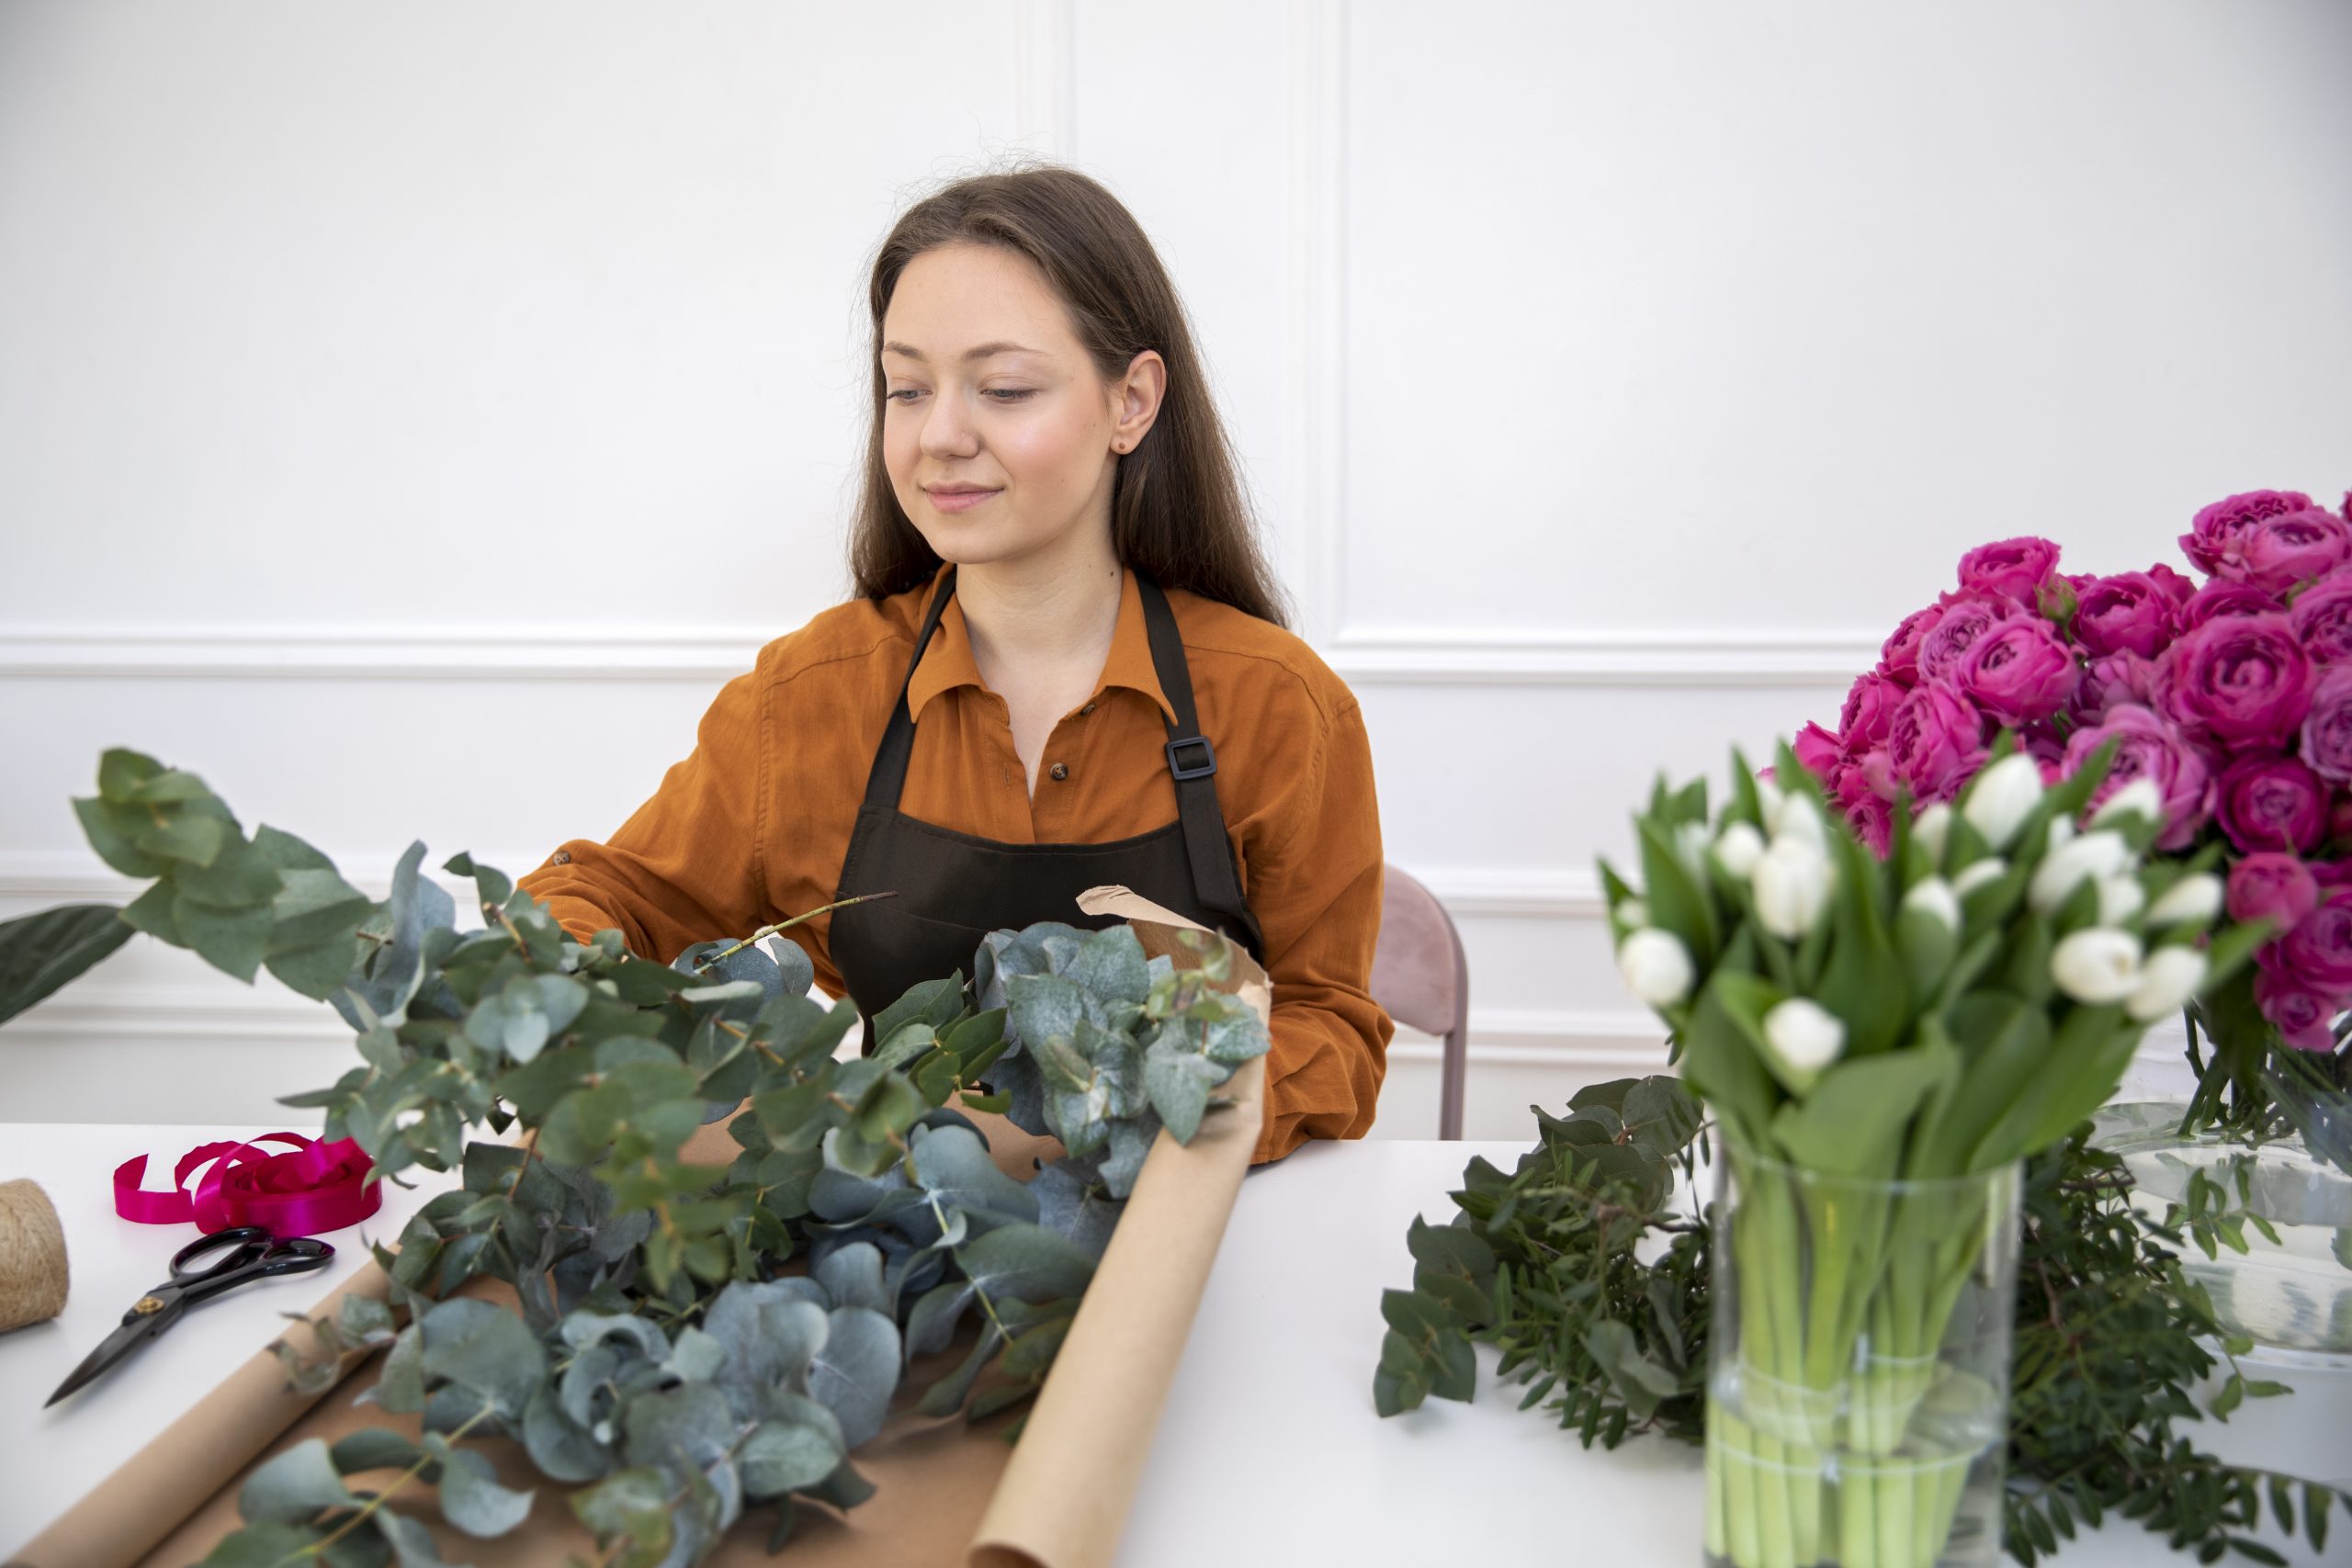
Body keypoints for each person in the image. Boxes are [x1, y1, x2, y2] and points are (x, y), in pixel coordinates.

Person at [518, 165, 1390, 1163]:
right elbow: (608, 894)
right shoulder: (810, 702)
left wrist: (1110, 1119)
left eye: (1004, 388)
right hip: (898, 1251)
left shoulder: (1279, 707)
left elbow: (1329, 1030)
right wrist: (550, 1008)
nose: (939, 437)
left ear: (1132, 404)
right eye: (907, 388)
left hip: (1176, 1241)